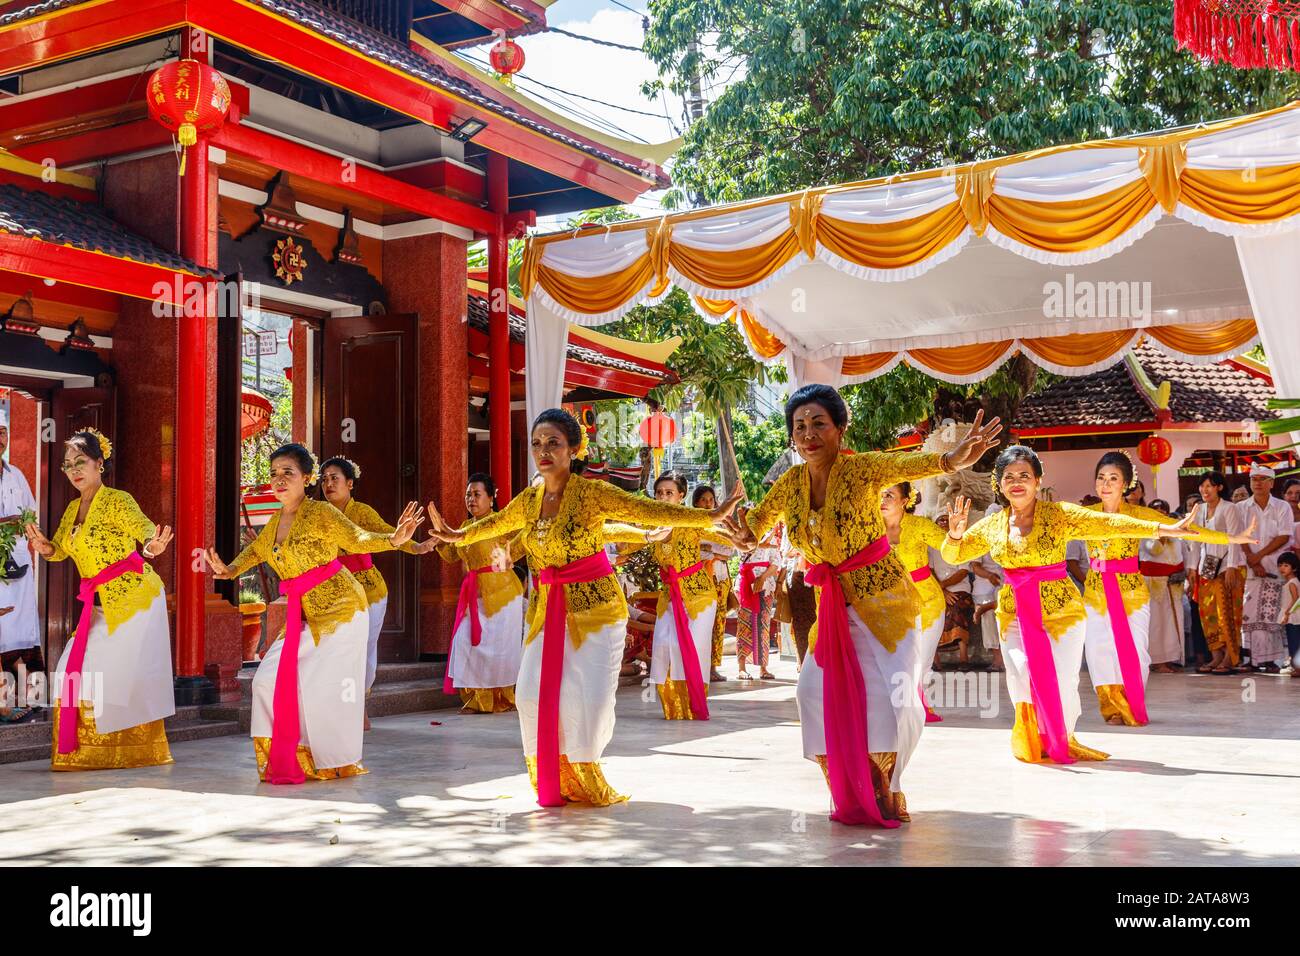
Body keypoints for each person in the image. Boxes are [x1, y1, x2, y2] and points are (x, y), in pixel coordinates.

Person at [422, 409, 744, 806]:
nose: (543, 450)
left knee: (587, 700)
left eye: (553, 443)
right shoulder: (530, 499)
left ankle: (585, 770)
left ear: (573, 449)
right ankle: (555, 773)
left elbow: (644, 510)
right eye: (537, 443)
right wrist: (457, 534)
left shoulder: (592, 493)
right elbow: (498, 523)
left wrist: (707, 516)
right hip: (548, 610)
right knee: (529, 694)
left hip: (598, 611)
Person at [723, 385, 1003, 826]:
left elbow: (905, 461)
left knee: (892, 700)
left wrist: (952, 460)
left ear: (839, 428)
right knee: (810, 692)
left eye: (819, 423)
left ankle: (886, 785)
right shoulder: (789, 483)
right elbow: (754, 528)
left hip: (885, 604)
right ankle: (847, 785)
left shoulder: (862, 469)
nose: (808, 433)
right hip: (832, 607)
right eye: (799, 426)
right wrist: (739, 532)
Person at [942, 446, 1203, 765]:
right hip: (1014, 613)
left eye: (1025, 475)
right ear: (999, 484)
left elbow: (1110, 524)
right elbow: (953, 556)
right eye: (1009, 477)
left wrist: (1163, 528)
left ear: (1038, 481)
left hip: (1061, 610)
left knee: (1064, 678)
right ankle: (1033, 737)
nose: (1017, 482)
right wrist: (954, 537)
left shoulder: (1059, 514)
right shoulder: (991, 525)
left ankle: (1060, 736)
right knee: (1020, 674)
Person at [206, 444, 424, 783]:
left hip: (342, 610)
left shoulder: (322, 513)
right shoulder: (276, 521)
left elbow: (357, 538)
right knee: (266, 681)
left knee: (324, 689)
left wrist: (395, 539)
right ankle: (290, 753)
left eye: (288, 473)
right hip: (304, 615)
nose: (279, 480)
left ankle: (331, 758)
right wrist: (228, 571)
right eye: (275, 473)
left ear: (306, 479)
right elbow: (254, 552)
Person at [24, 430, 176, 770]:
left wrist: (152, 545)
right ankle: (83, 752)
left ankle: (130, 750)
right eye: (68, 466)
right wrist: (45, 547)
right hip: (97, 605)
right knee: (69, 671)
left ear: (99, 464)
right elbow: (61, 549)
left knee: (112, 675)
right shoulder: (73, 508)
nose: (74, 470)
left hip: (134, 599)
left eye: (81, 462)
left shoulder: (117, 501)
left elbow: (144, 529)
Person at [1082, 453, 1251, 726]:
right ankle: (1112, 708)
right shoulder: (1085, 516)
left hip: (1131, 591)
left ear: (1126, 484)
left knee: (1137, 651)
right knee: (1099, 650)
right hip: (1096, 591)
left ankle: (1131, 703)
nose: (1106, 483)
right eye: (1101, 477)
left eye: (1113, 478)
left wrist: (1232, 538)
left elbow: (1185, 530)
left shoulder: (1139, 515)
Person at [319, 456, 431, 727]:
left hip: (368, 590)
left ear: (350, 483)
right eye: (324, 479)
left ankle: (359, 705)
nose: (328, 484)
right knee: (333, 650)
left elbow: (389, 534)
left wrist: (415, 547)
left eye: (335, 478)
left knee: (362, 648)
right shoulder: (318, 514)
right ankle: (336, 705)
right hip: (333, 590)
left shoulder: (362, 513)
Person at [637, 472, 740, 718]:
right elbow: (626, 542)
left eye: (669, 493)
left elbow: (724, 539)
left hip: (699, 596)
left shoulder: (693, 519)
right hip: (670, 597)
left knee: (691, 649)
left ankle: (692, 705)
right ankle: (673, 707)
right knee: (663, 646)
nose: (663, 497)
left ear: (681, 496)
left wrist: (739, 537)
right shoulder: (651, 524)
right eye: (659, 492)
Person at [435, 474, 527, 714]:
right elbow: (451, 556)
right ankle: (477, 700)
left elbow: (524, 541)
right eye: (468, 494)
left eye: (476, 494)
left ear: (490, 498)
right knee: (465, 642)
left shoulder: (500, 522)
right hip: (476, 594)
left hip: (504, 594)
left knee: (500, 650)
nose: (471, 499)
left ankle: (502, 699)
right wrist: (440, 538)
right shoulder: (465, 527)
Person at [880, 482, 947, 722]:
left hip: (927, 601)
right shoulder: (870, 530)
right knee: (893, 659)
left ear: (905, 501)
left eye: (890, 495)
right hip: (888, 603)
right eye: (881, 495)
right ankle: (897, 707)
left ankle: (917, 707)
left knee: (922, 659)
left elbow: (950, 547)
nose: (883, 500)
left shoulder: (920, 526)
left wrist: (957, 535)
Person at [0, 409, 41, 723]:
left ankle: (33, 700)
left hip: (20, 566)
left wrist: (25, 526)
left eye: (2, 432)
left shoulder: (16, 474)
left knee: (25, 632)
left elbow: (31, 513)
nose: (0, 439)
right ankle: (3, 705)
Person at [1186, 471, 1246, 675]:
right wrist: (1192, 568)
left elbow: (1234, 538)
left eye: (1209, 485)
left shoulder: (1229, 508)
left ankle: (1231, 656)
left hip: (1227, 566)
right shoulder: (1199, 509)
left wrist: (1232, 567)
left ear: (1219, 487)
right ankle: (1217, 655)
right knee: (1208, 613)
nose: (1204, 490)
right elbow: (1195, 541)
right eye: (1202, 486)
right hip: (1206, 568)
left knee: (1227, 613)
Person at [1235, 463, 1294, 673]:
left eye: (1262, 479)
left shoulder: (1281, 506)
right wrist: (1252, 560)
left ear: (1271, 483)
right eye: (1254, 479)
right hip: (1250, 568)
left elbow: (1284, 535)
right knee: (1249, 614)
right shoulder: (1241, 507)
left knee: (1271, 613)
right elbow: (1238, 535)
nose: (1257, 483)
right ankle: (1250, 660)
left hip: (1275, 568)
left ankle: (1270, 660)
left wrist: (1258, 556)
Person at [692, 484, 734, 683]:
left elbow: (730, 551)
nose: (708, 503)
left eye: (711, 500)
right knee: (703, 625)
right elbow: (694, 552)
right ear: (696, 503)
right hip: (701, 580)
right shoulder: (692, 525)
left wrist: (712, 551)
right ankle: (701, 666)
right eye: (704, 500)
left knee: (718, 624)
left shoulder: (720, 525)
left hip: (721, 579)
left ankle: (713, 666)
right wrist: (713, 552)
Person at [1141, 499, 1188, 674]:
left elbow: (1183, 553)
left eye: (1163, 510)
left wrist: (1184, 572)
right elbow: (1153, 550)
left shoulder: (1175, 532)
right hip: (1153, 583)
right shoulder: (1145, 530)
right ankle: (1157, 661)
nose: (1160, 513)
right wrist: (1162, 534)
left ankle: (1172, 658)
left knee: (1174, 621)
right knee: (1157, 623)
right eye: (1156, 510)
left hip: (1174, 583)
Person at [736, 526, 781, 681]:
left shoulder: (771, 536)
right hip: (745, 583)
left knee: (764, 625)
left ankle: (763, 668)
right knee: (744, 624)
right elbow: (743, 550)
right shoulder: (743, 535)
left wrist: (762, 578)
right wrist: (762, 544)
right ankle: (742, 668)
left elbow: (776, 562)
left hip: (766, 584)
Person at [932, 513, 973, 666]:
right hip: (937, 591)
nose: (942, 522)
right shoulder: (931, 546)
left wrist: (943, 587)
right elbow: (929, 570)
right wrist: (942, 592)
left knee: (955, 608)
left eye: (945, 519)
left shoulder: (961, 542)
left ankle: (963, 658)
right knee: (930, 615)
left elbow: (963, 572)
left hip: (960, 589)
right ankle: (935, 661)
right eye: (939, 520)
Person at [1277, 552, 1300, 673]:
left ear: (1294, 568)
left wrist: (1287, 613)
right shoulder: (1293, 582)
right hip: (1294, 615)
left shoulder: (1292, 583)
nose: (1282, 568)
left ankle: (1297, 667)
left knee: (1294, 641)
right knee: (1294, 640)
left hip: (1293, 616)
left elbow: (1296, 599)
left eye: (1286, 565)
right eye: (1280, 565)